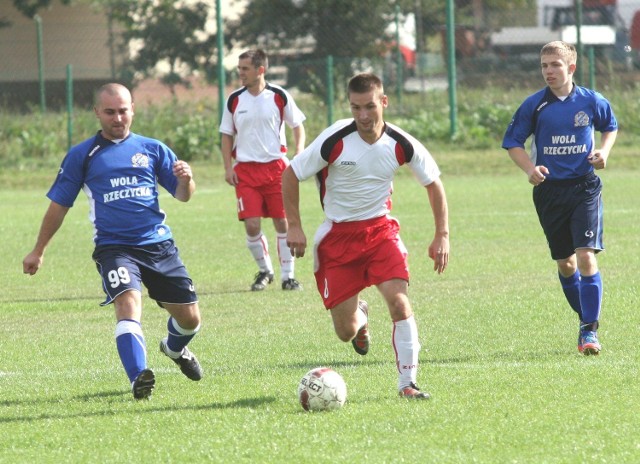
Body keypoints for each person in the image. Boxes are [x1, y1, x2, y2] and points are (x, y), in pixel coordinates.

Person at [23, 83, 204, 399]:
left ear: (132, 108)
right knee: (127, 303)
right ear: (97, 113)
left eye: (123, 110)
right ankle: (139, 378)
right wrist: (39, 250)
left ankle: (175, 350)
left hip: (158, 245)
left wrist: (187, 179)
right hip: (114, 247)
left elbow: (182, 196)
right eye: (110, 112)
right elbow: (59, 206)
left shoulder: (153, 149)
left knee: (190, 319)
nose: (118, 118)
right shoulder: (83, 155)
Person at [282, 73, 450, 399]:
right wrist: (294, 225)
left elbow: (433, 184)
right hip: (337, 238)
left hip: (380, 232)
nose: (362, 116)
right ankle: (362, 317)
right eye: (356, 107)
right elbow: (291, 174)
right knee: (345, 332)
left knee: (399, 304)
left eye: (369, 106)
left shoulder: (401, 143)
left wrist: (442, 234)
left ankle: (408, 385)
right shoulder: (335, 139)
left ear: (383, 102)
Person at [502, 41, 618, 356]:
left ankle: (589, 331)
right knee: (566, 264)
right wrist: (529, 169)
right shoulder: (534, 105)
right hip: (550, 192)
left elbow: (610, 127)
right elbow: (513, 142)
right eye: (544, 66)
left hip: (584, 187)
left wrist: (603, 153)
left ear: (571, 67)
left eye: (554, 64)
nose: (548, 71)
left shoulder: (591, 101)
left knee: (585, 257)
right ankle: (586, 318)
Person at [219, 49, 306, 292]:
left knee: (282, 222)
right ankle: (265, 271)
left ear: (260, 70)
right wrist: (228, 167)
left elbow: (297, 126)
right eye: (239, 69)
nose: (240, 73)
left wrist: (299, 152)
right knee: (252, 225)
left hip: (277, 169)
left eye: (245, 69)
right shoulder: (234, 99)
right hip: (245, 171)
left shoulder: (279, 96)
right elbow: (226, 134)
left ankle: (288, 276)